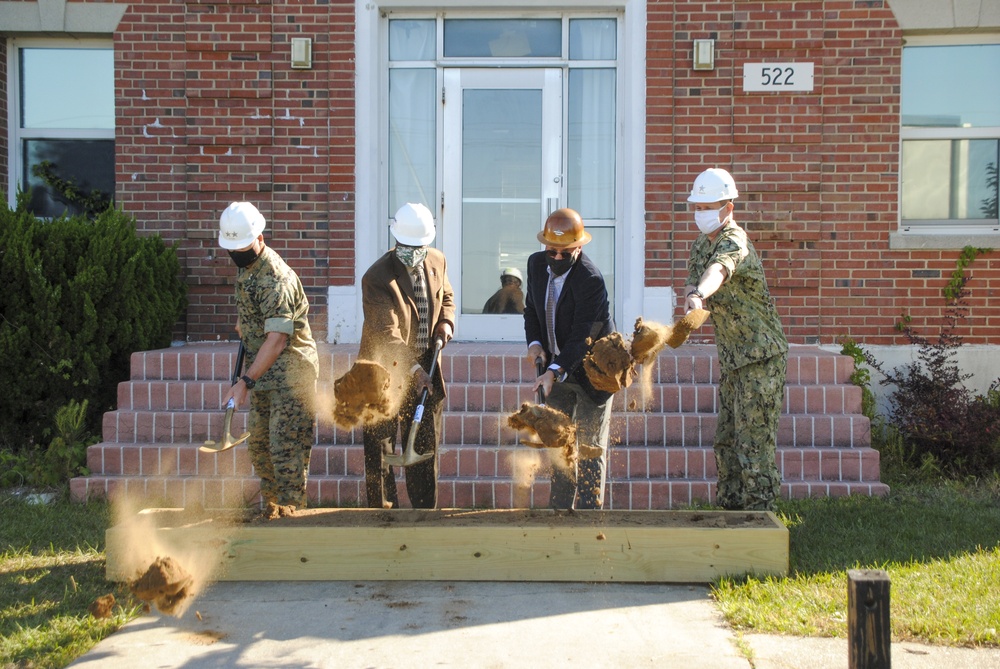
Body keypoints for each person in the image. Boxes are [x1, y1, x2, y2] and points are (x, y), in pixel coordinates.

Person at [683, 168, 788, 511]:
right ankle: (730, 516)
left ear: (728, 208)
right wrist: (690, 298)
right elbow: (695, 278)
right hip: (733, 360)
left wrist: (699, 293)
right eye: (697, 207)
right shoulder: (701, 245)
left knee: (753, 445)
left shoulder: (734, 240)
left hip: (760, 358)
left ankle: (761, 522)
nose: (701, 214)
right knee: (726, 443)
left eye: (708, 206)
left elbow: (718, 271)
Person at [218, 201, 319, 513]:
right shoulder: (248, 268)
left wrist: (245, 382)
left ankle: (292, 522)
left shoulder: (274, 277)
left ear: (259, 238)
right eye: (232, 248)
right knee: (260, 447)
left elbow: (277, 340)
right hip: (265, 374)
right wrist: (246, 324)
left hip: (291, 375)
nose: (237, 253)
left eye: (242, 247)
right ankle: (271, 513)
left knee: (286, 451)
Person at [359, 202, 455, 509]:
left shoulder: (437, 260)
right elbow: (388, 335)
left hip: (426, 362)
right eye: (405, 247)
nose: (412, 253)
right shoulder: (376, 278)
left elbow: (447, 298)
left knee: (424, 446)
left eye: (419, 247)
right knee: (380, 449)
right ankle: (383, 516)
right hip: (384, 369)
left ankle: (424, 518)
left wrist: (446, 324)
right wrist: (413, 369)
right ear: (396, 239)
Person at [523, 208, 614, 510]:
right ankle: (559, 513)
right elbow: (532, 311)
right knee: (560, 446)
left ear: (580, 247)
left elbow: (582, 338)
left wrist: (553, 371)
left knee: (588, 449)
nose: (557, 258)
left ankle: (590, 518)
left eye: (566, 253)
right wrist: (535, 344)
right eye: (552, 251)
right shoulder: (536, 265)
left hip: (593, 373)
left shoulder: (591, 280)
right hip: (556, 369)